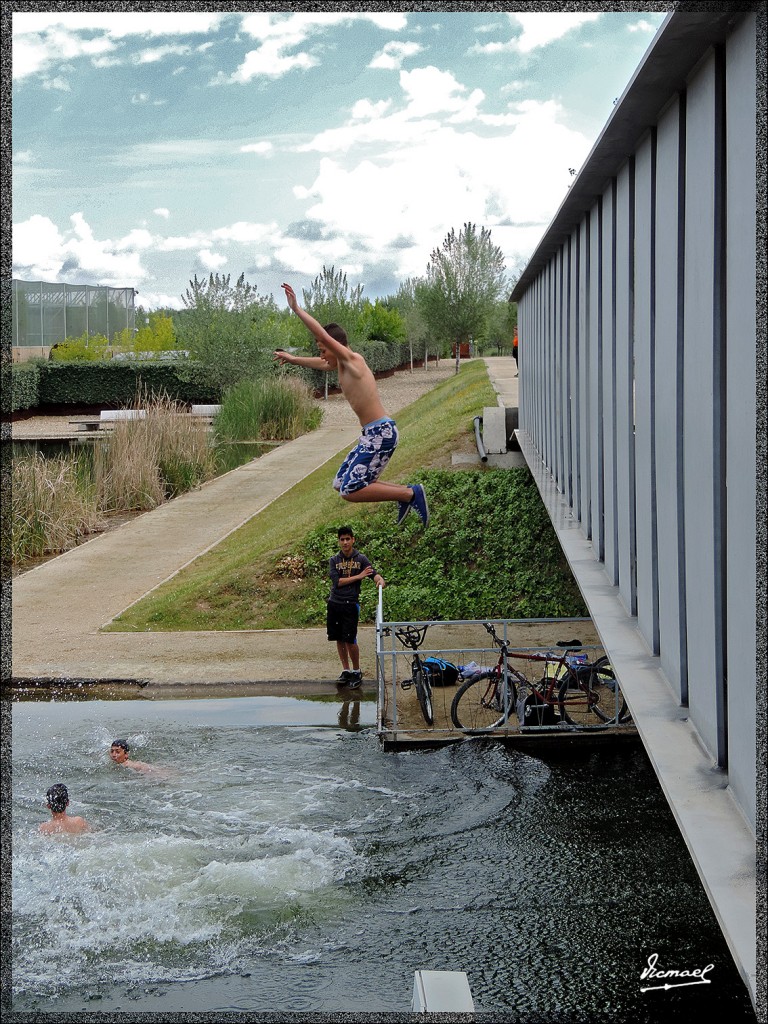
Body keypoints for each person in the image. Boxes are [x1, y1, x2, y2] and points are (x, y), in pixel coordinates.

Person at [275, 283, 429, 526]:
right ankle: (406, 494)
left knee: (350, 490)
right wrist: (293, 359)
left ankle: (409, 494)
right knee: (340, 483)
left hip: (382, 433)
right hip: (371, 434)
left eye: (324, 349)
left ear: (337, 346)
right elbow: (321, 363)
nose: (323, 354)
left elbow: (324, 337)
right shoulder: (339, 365)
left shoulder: (353, 360)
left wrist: (297, 310)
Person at [327, 526, 384, 688]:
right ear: (339, 541)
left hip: (350, 604)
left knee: (350, 639)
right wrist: (359, 576)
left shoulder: (361, 559)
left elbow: (373, 573)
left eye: (347, 539)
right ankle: (346, 670)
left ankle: (357, 671)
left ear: (353, 540)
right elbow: (337, 582)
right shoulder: (334, 560)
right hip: (334, 603)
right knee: (339, 638)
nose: (345, 542)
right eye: (342, 539)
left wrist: (379, 580)